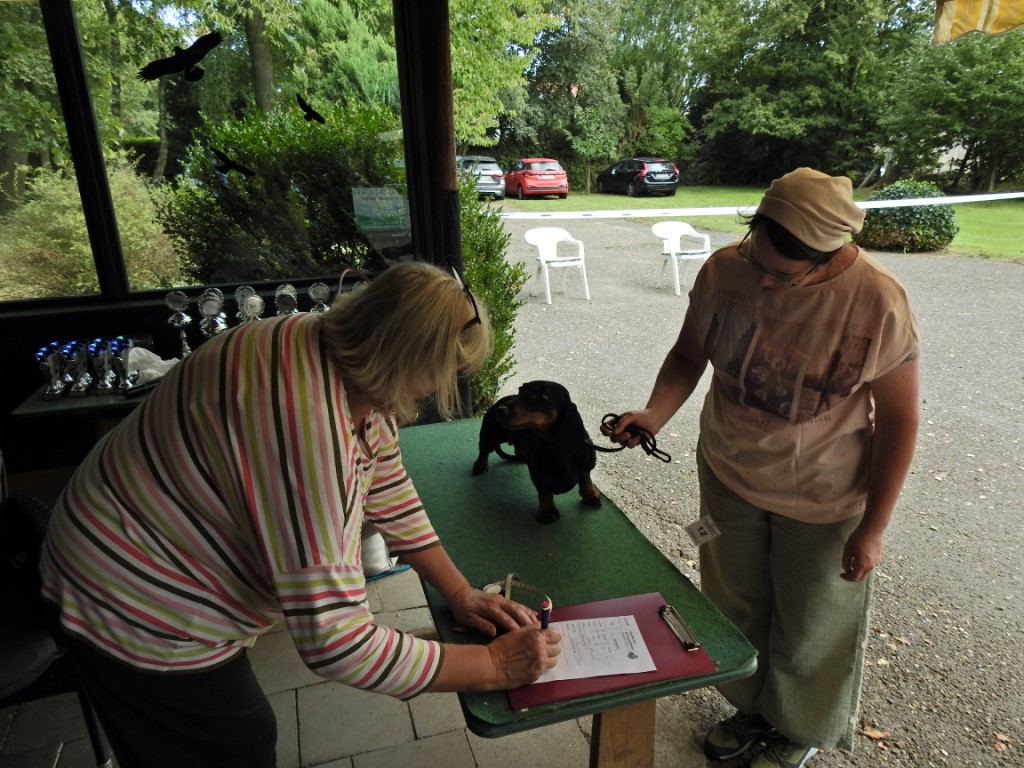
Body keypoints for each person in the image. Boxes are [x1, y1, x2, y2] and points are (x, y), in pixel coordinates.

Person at [39, 261, 562, 768]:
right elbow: (337, 642)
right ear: (402, 360)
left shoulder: (320, 342)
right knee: (234, 747)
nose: (436, 386)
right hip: (130, 599)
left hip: (115, 540)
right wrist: (492, 665)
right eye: (442, 371)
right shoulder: (309, 427)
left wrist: (460, 593)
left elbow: (386, 484)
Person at [604, 168, 920, 768]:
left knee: (813, 621)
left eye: (785, 275)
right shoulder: (725, 270)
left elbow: (901, 420)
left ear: (830, 254)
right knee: (735, 603)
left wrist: (874, 527)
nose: (766, 282)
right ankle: (751, 708)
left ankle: (798, 728)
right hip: (729, 475)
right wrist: (655, 412)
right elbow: (689, 355)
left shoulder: (877, 300)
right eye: (759, 260)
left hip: (825, 495)